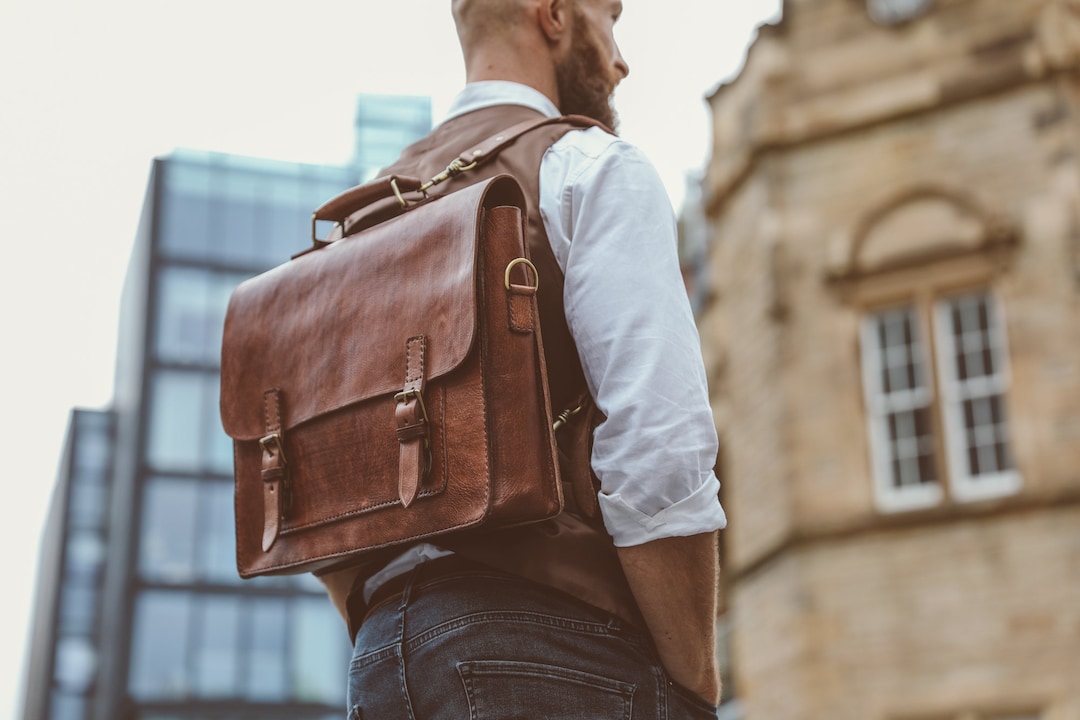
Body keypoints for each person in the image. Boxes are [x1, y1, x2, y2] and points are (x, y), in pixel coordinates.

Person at [318, 1, 728, 717]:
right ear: (554, 13)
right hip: (562, 648)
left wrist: (392, 617)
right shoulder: (589, 166)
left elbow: (328, 489)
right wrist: (694, 682)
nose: (620, 57)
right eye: (612, 17)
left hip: (382, 658)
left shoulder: (357, 225)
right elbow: (660, 454)